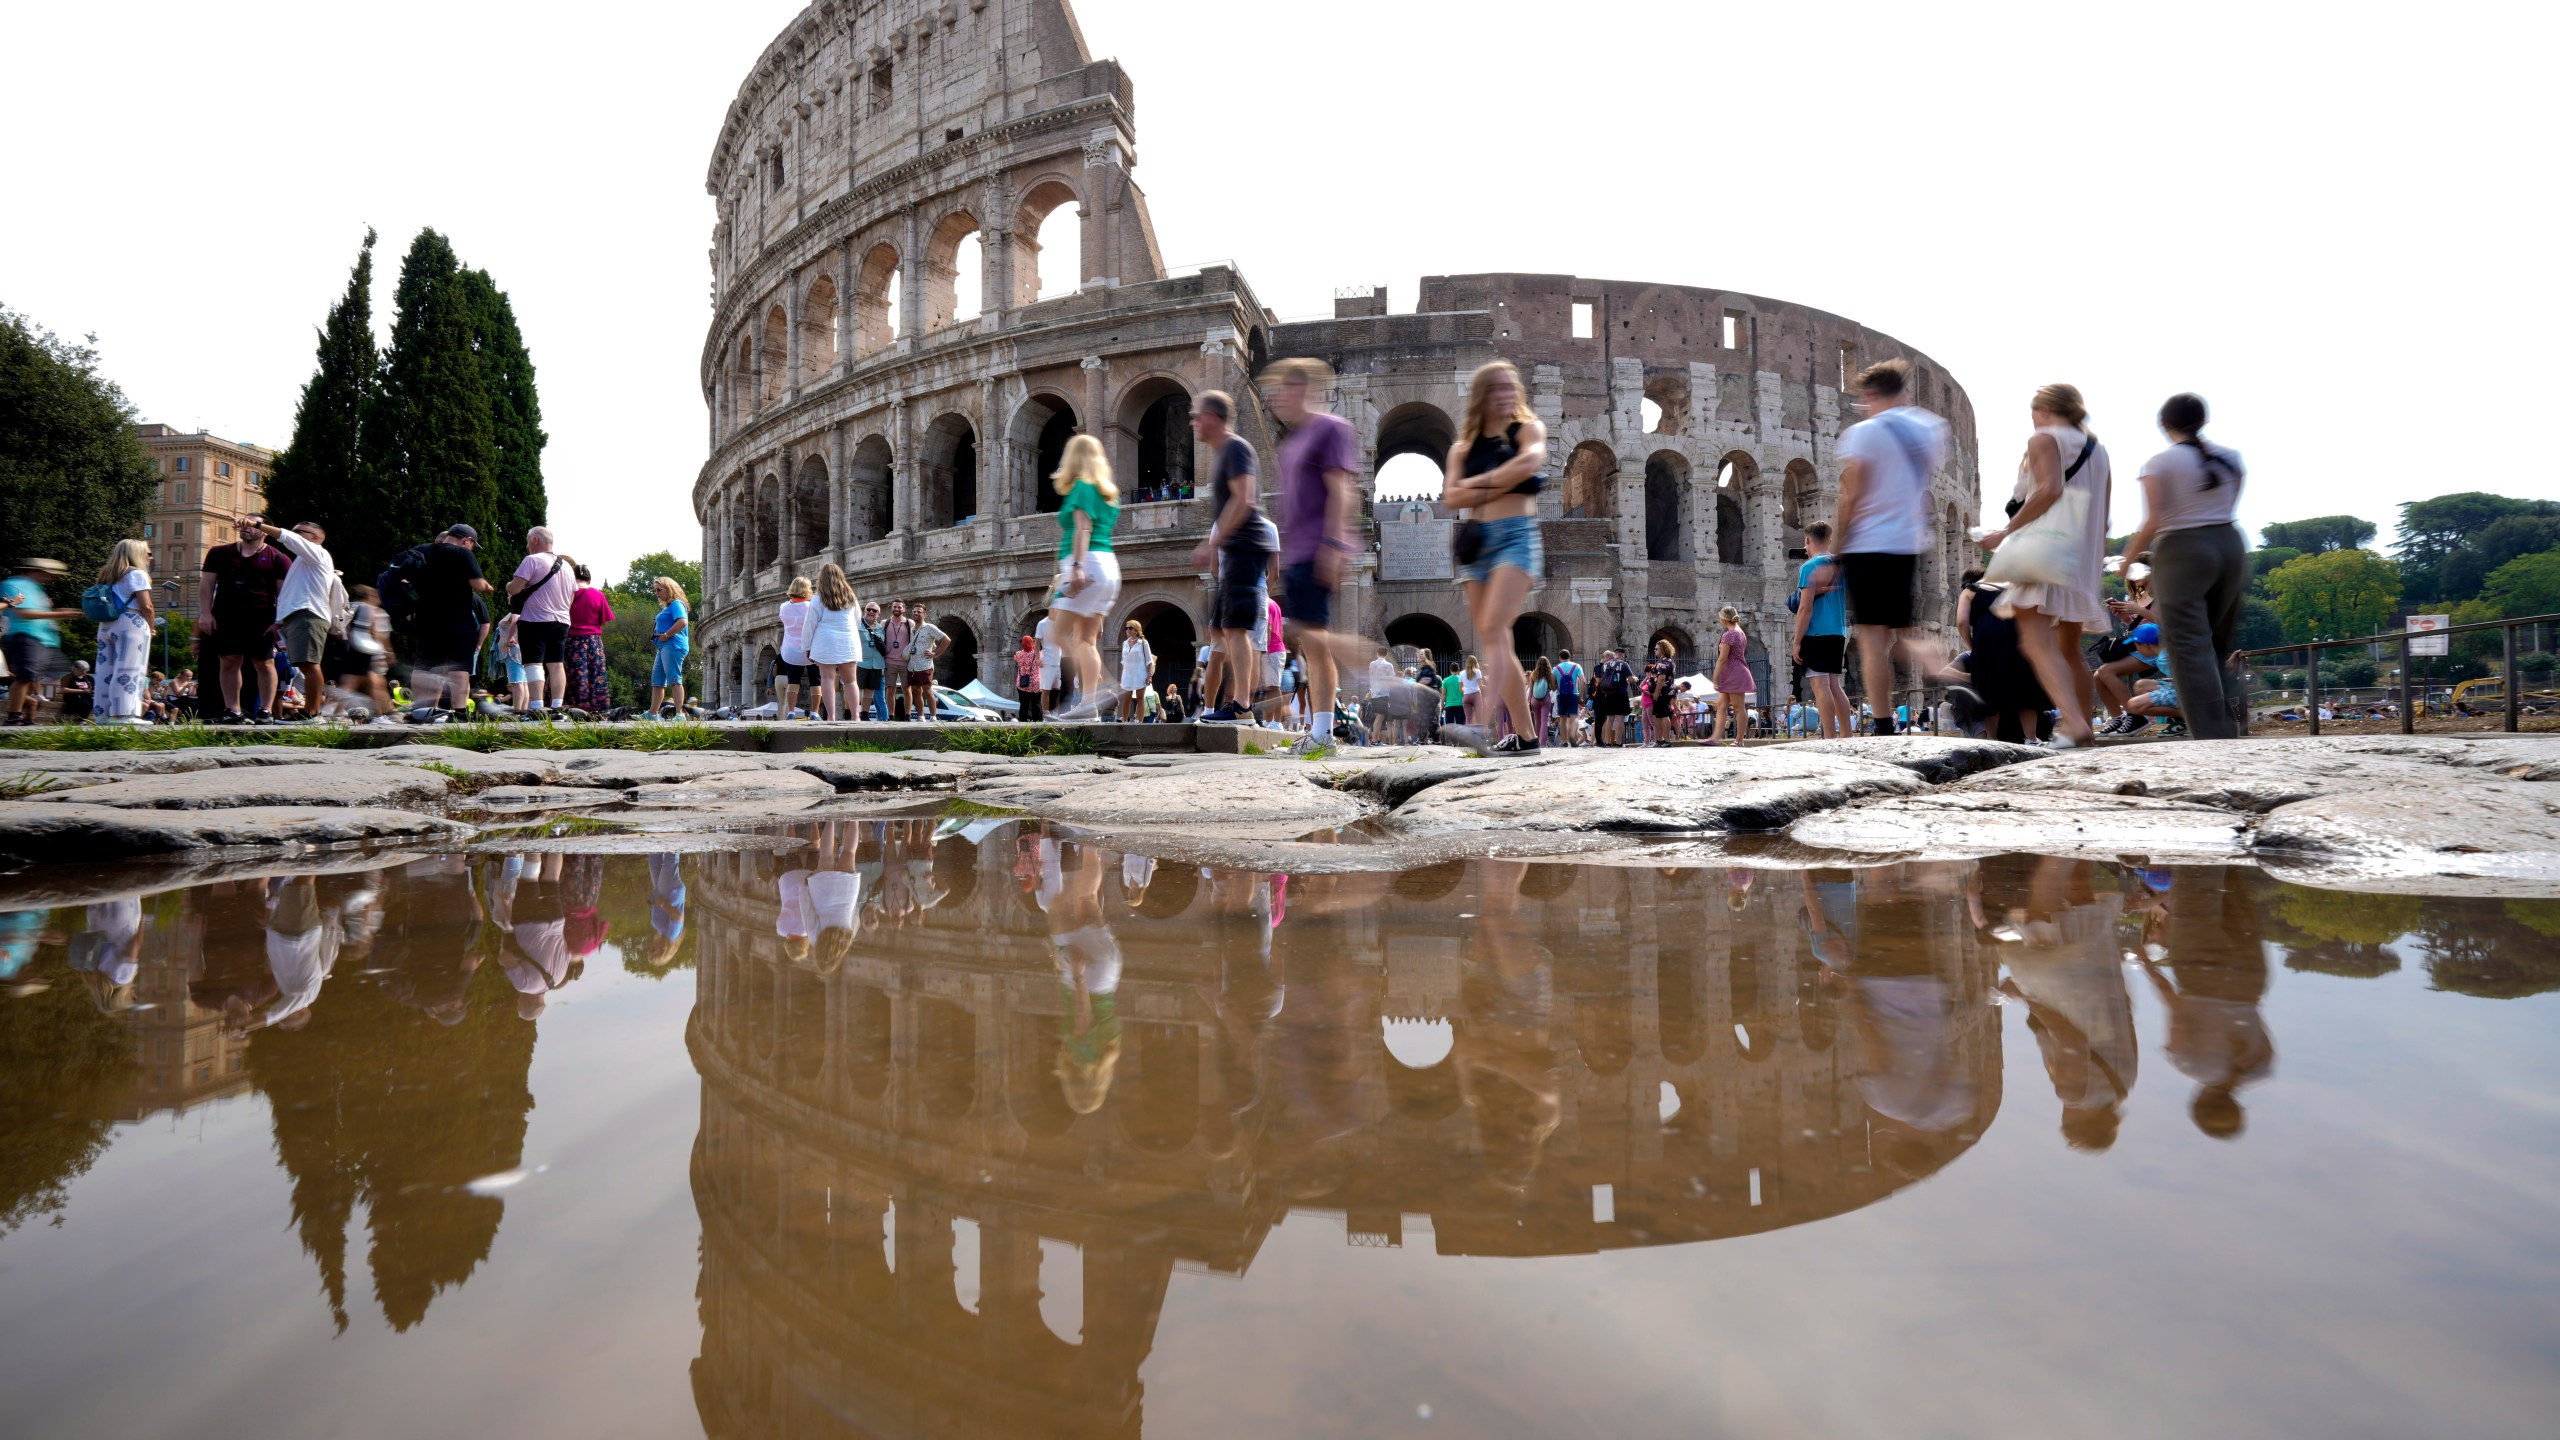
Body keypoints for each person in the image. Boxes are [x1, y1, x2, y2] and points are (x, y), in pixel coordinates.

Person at [1423, 359, 1550, 755]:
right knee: (1498, 640)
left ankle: (1480, 726)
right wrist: (1504, 479)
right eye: (1497, 387)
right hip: (1478, 544)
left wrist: (1478, 486)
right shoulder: (1463, 447)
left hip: (1516, 537)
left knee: (1496, 627)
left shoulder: (1528, 429)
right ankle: (1527, 738)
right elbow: (1452, 496)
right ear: (1481, 395)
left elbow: (1530, 462)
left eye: (1512, 386)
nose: (1507, 394)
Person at [1981, 383, 2111, 747]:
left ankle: (2074, 725)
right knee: (2068, 649)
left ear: (2042, 411)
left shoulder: (2042, 439)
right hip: (2083, 555)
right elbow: (2104, 520)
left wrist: (2005, 531)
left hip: (2045, 545)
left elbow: (2050, 490)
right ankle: (2083, 726)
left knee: (2036, 641)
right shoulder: (2098, 449)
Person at [1832, 359, 1952, 736]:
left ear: (1870, 395)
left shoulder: (1864, 433)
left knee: (1872, 640)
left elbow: (1852, 494)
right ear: (1903, 391)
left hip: (1868, 543)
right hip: (1908, 544)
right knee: (1908, 632)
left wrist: (1837, 545)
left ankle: (1883, 724)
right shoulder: (1930, 429)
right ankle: (1953, 677)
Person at [2123, 392, 2249, 740]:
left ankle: (2212, 734)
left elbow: (2154, 520)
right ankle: (2229, 720)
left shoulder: (2160, 463)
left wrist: (2128, 557)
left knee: (2188, 646)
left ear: (2164, 424)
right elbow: (2227, 506)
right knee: (2217, 641)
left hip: (2181, 547)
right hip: (2230, 543)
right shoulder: (2232, 458)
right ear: (2203, 422)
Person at [1266, 358, 1362, 755]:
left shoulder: (1330, 429)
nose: (1275, 397)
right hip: (1300, 551)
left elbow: (1341, 487)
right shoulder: (1293, 440)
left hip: (1319, 547)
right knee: (1310, 641)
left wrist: (1334, 543)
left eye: (1283, 388)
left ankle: (1324, 734)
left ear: (1302, 389)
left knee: (1315, 640)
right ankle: (1321, 732)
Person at [1188, 390, 1277, 721]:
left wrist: (1213, 544)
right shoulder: (1226, 453)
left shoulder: (1236, 448)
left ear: (1213, 417)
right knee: (1227, 631)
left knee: (1237, 630)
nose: (1195, 423)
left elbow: (1244, 498)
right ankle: (1239, 704)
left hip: (1243, 548)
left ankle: (1241, 706)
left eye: (1197, 416)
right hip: (1237, 550)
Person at [1048, 433, 1122, 716]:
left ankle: (1101, 689)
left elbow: (1083, 528)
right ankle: (1089, 703)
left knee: (1058, 632)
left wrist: (1077, 566)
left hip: (1086, 564)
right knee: (1085, 639)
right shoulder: (1107, 494)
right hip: (1108, 567)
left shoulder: (1082, 487)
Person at [249, 518, 346, 722]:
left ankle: (312, 712)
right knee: (306, 664)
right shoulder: (303, 562)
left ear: (316, 538)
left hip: (308, 614)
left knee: (309, 664)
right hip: (300, 615)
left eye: (299, 532)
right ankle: (311, 711)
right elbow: (293, 594)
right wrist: (280, 621)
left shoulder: (317, 553)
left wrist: (257, 525)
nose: (293, 534)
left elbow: (287, 537)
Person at [199, 514, 293, 723]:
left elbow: (284, 594)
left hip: (261, 617)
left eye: (252, 524)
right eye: (243, 523)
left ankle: (265, 710)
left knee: (264, 662)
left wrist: (279, 622)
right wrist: (205, 613)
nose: (245, 527)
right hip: (226, 615)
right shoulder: (219, 553)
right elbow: (206, 584)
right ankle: (233, 710)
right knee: (229, 661)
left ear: (265, 530)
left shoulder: (278, 557)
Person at [413, 525, 496, 711]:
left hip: (426, 618)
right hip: (456, 619)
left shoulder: (421, 550)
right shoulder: (462, 554)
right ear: (467, 540)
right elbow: (478, 585)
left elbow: (404, 579)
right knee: (459, 666)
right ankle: (459, 711)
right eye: (472, 545)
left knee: (425, 664)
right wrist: (488, 587)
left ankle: (422, 710)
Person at [505, 527, 577, 714]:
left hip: (534, 620)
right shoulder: (567, 566)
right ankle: (557, 708)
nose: (527, 545)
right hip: (561, 620)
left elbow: (514, 589)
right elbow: (571, 598)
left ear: (535, 540)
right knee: (556, 663)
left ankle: (537, 708)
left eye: (528, 541)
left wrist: (508, 586)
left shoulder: (532, 560)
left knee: (534, 663)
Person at [1792, 520, 1853, 738]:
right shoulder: (1838, 566)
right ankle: (1847, 735)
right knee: (1835, 685)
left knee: (1820, 687)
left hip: (1816, 631)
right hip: (1838, 632)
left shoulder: (1809, 567)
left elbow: (1805, 607)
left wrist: (1797, 640)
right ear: (1828, 541)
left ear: (1807, 541)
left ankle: (1829, 736)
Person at [92, 538, 157, 724]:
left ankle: (102, 715)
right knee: (129, 668)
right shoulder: (136, 574)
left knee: (105, 670)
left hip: (106, 623)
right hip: (130, 622)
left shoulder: (108, 574)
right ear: (136, 554)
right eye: (148, 553)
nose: (150, 557)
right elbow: (147, 606)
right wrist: (151, 627)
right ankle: (124, 715)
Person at [3, 558, 73, 725]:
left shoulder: (37, 588)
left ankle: (27, 711)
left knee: (48, 675)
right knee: (25, 676)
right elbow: (24, 613)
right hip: (25, 635)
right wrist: (60, 614)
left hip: (45, 639)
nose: (51, 577)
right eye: (48, 573)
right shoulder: (16, 584)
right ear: (34, 571)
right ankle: (14, 716)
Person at [807, 563, 864, 721]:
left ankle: (831, 716)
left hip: (825, 640)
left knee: (827, 679)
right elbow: (857, 619)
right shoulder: (850, 596)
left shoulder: (818, 597)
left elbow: (810, 623)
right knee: (851, 680)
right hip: (848, 639)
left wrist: (807, 646)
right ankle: (855, 715)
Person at [338, 582, 393, 717]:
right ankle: (381, 716)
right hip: (366, 649)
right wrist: (388, 651)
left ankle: (337, 713)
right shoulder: (370, 609)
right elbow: (376, 632)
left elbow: (345, 628)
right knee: (374, 681)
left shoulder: (350, 607)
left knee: (350, 681)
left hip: (352, 647)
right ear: (369, 596)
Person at [566, 565, 615, 713]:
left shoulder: (568, 593)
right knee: (596, 673)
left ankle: (573, 705)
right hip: (593, 641)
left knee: (573, 674)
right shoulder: (598, 595)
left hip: (571, 639)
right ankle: (597, 707)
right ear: (589, 578)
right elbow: (605, 620)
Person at [775, 576, 816, 719]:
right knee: (815, 681)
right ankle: (815, 712)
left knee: (793, 681)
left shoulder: (784, 607)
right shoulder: (811, 607)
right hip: (810, 649)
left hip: (790, 650)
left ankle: (791, 712)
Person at [649, 575, 690, 715]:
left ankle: (680, 713)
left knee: (674, 678)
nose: (657, 594)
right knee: (657, 681)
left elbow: (682, 622)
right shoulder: (668, 606)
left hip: (673, 644)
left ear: (669, 589)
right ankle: (653, 713)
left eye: (659, 590)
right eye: (655, 591)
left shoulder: (677, 604)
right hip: (664, 646)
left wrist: (666, 635)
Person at [1710, 607, 1751, 744]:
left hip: (1734, 673)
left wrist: (1715, 677)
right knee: (1721, 706)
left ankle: (1739, 740)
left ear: (1722, 619)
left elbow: (1722, 659)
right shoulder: (1741, 633)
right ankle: (1715, 738)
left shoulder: (1729, 635)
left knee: (1738, 707)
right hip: (1735, 672)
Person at [904, 610, 947, 721]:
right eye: (914, 611)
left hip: (925, 665)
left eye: (919, 612)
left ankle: (933, 716)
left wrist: (936, 653)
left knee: (927, 690)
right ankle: (921, 716)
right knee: (916, 690)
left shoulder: (929, 627)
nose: (916, 613)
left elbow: (946, 639)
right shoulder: (912, 629)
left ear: (925, 614)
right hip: (912, 665)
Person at [1592, 647, 1634, 745]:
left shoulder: (1605, 665)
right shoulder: (1624, 664)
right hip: (1621, 693)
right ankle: (1618, 741)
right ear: (1622, 655)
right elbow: (1631, 679)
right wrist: (1635, 678)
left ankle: (1606, 741)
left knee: (1609, 718)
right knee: (1620, 718)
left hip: (1609, 694)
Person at [879, 601, 913, 719]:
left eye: (899, 607)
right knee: (890, 689)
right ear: (891, 608)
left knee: (907, 689)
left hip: (905, 661)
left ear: (904, 609)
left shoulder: (909, 623)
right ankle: (891, 715)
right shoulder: (885, 623)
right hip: (889, 661)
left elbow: (918, 635)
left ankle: (907, 715)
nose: (896, 609)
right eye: (894, 607)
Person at [1117, 619, 1156, 719]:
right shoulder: (1125, 643)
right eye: (1126, 628)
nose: (1128, 630)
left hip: (1140, 674)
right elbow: (1123, 660)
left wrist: (1149, 675)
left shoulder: (1143, 643)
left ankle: (1140, 723)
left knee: (1140, 699)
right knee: (1126, 699)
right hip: (1127, 674)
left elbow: (1149, 660)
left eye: (1130, 628)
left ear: (1136, 630)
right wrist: (1123, 673)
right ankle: (1125, 721)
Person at [1643, 638, 1678, 745]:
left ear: (1662, 649)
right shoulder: (1669, 661)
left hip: (1662, 693)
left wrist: (1657, 692)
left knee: (1663, 715)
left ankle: (1666, 740)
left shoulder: (1663, 662)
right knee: (1659, 715)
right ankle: (1659, 740)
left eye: (1656, 649)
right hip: (1664, 692)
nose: (1655, 650)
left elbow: (1661, 678)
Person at [858, 600, 889, 720]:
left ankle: (864, 714)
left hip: (876, 664)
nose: (871, 612)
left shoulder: (881, 628)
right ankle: (852, 713)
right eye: (868, 609)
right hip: (861, 662)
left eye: (874, 610)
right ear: (864, 611)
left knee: (869, 691)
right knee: (856, 689)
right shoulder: (857, 625)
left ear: (878, 614)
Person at [1552, 648, 1584, 747]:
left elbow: (1553, 687)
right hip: (1573, 694)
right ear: (1569, 657)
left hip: (1561, 695)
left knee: (1562, 718)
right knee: (1574, 717)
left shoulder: (1556, 668)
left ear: (1559, 658)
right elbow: (1583, 681)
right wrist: (1581, 695)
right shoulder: (1576, 666)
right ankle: (1572, 735)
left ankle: (1565, 741)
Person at [1014, 634, 1043, 721]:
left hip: (1023, 683)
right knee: (1036, 703)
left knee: (1024, 704)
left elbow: (1015, 658)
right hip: (1036, 683)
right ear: (1032, 643)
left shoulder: (1018, 654)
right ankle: (1038, 722)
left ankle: (1022, 723)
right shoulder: (1038, 654)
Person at [1528, 656, 1554, 746]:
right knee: (1544, 721)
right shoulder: (1549, 674)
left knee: (1537, 721)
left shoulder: (1533, 674)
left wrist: (1529, 702)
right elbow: (1553, 688)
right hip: (1545, 698)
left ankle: (1536, 742)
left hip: (1534, 700)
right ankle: (1542, 743)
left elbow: (1530, 689)